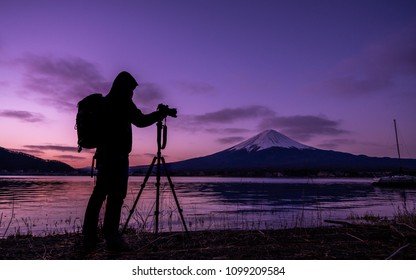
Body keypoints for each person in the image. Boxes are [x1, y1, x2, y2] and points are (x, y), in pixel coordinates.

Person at [82, 71, 170, 251]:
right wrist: (159, 114)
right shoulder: (122, 101)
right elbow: (140, 121)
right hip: (117, 157)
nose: (132, 94)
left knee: (99, 194)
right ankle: (111, 237)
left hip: (104, 157)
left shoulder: (105, 102)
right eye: (131, 90)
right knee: (116, 196)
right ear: (125, 87)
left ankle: (89, 234)